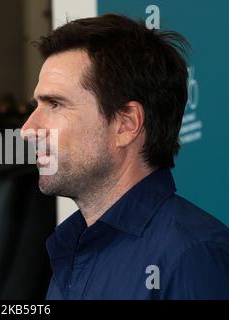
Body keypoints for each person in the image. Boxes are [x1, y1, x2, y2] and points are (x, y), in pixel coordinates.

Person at [21, 14, 229, 299]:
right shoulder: (72, 249)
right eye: (37, 105)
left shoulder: (192, 257)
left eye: (55, 104)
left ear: (126, 124)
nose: (28, 129)